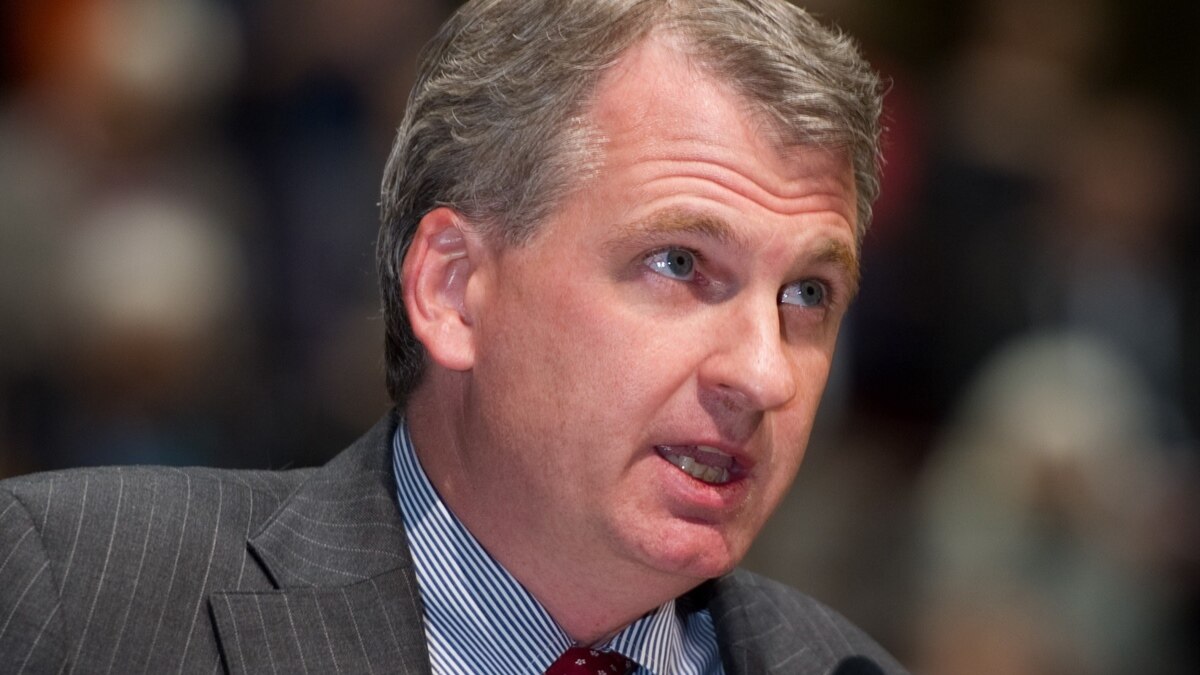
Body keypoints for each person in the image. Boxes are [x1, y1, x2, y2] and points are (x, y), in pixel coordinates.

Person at [0, 0, 906, 672]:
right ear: (453, 290)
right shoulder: (83, 594)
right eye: (678, 263)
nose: (765, 373)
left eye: (807, 293)